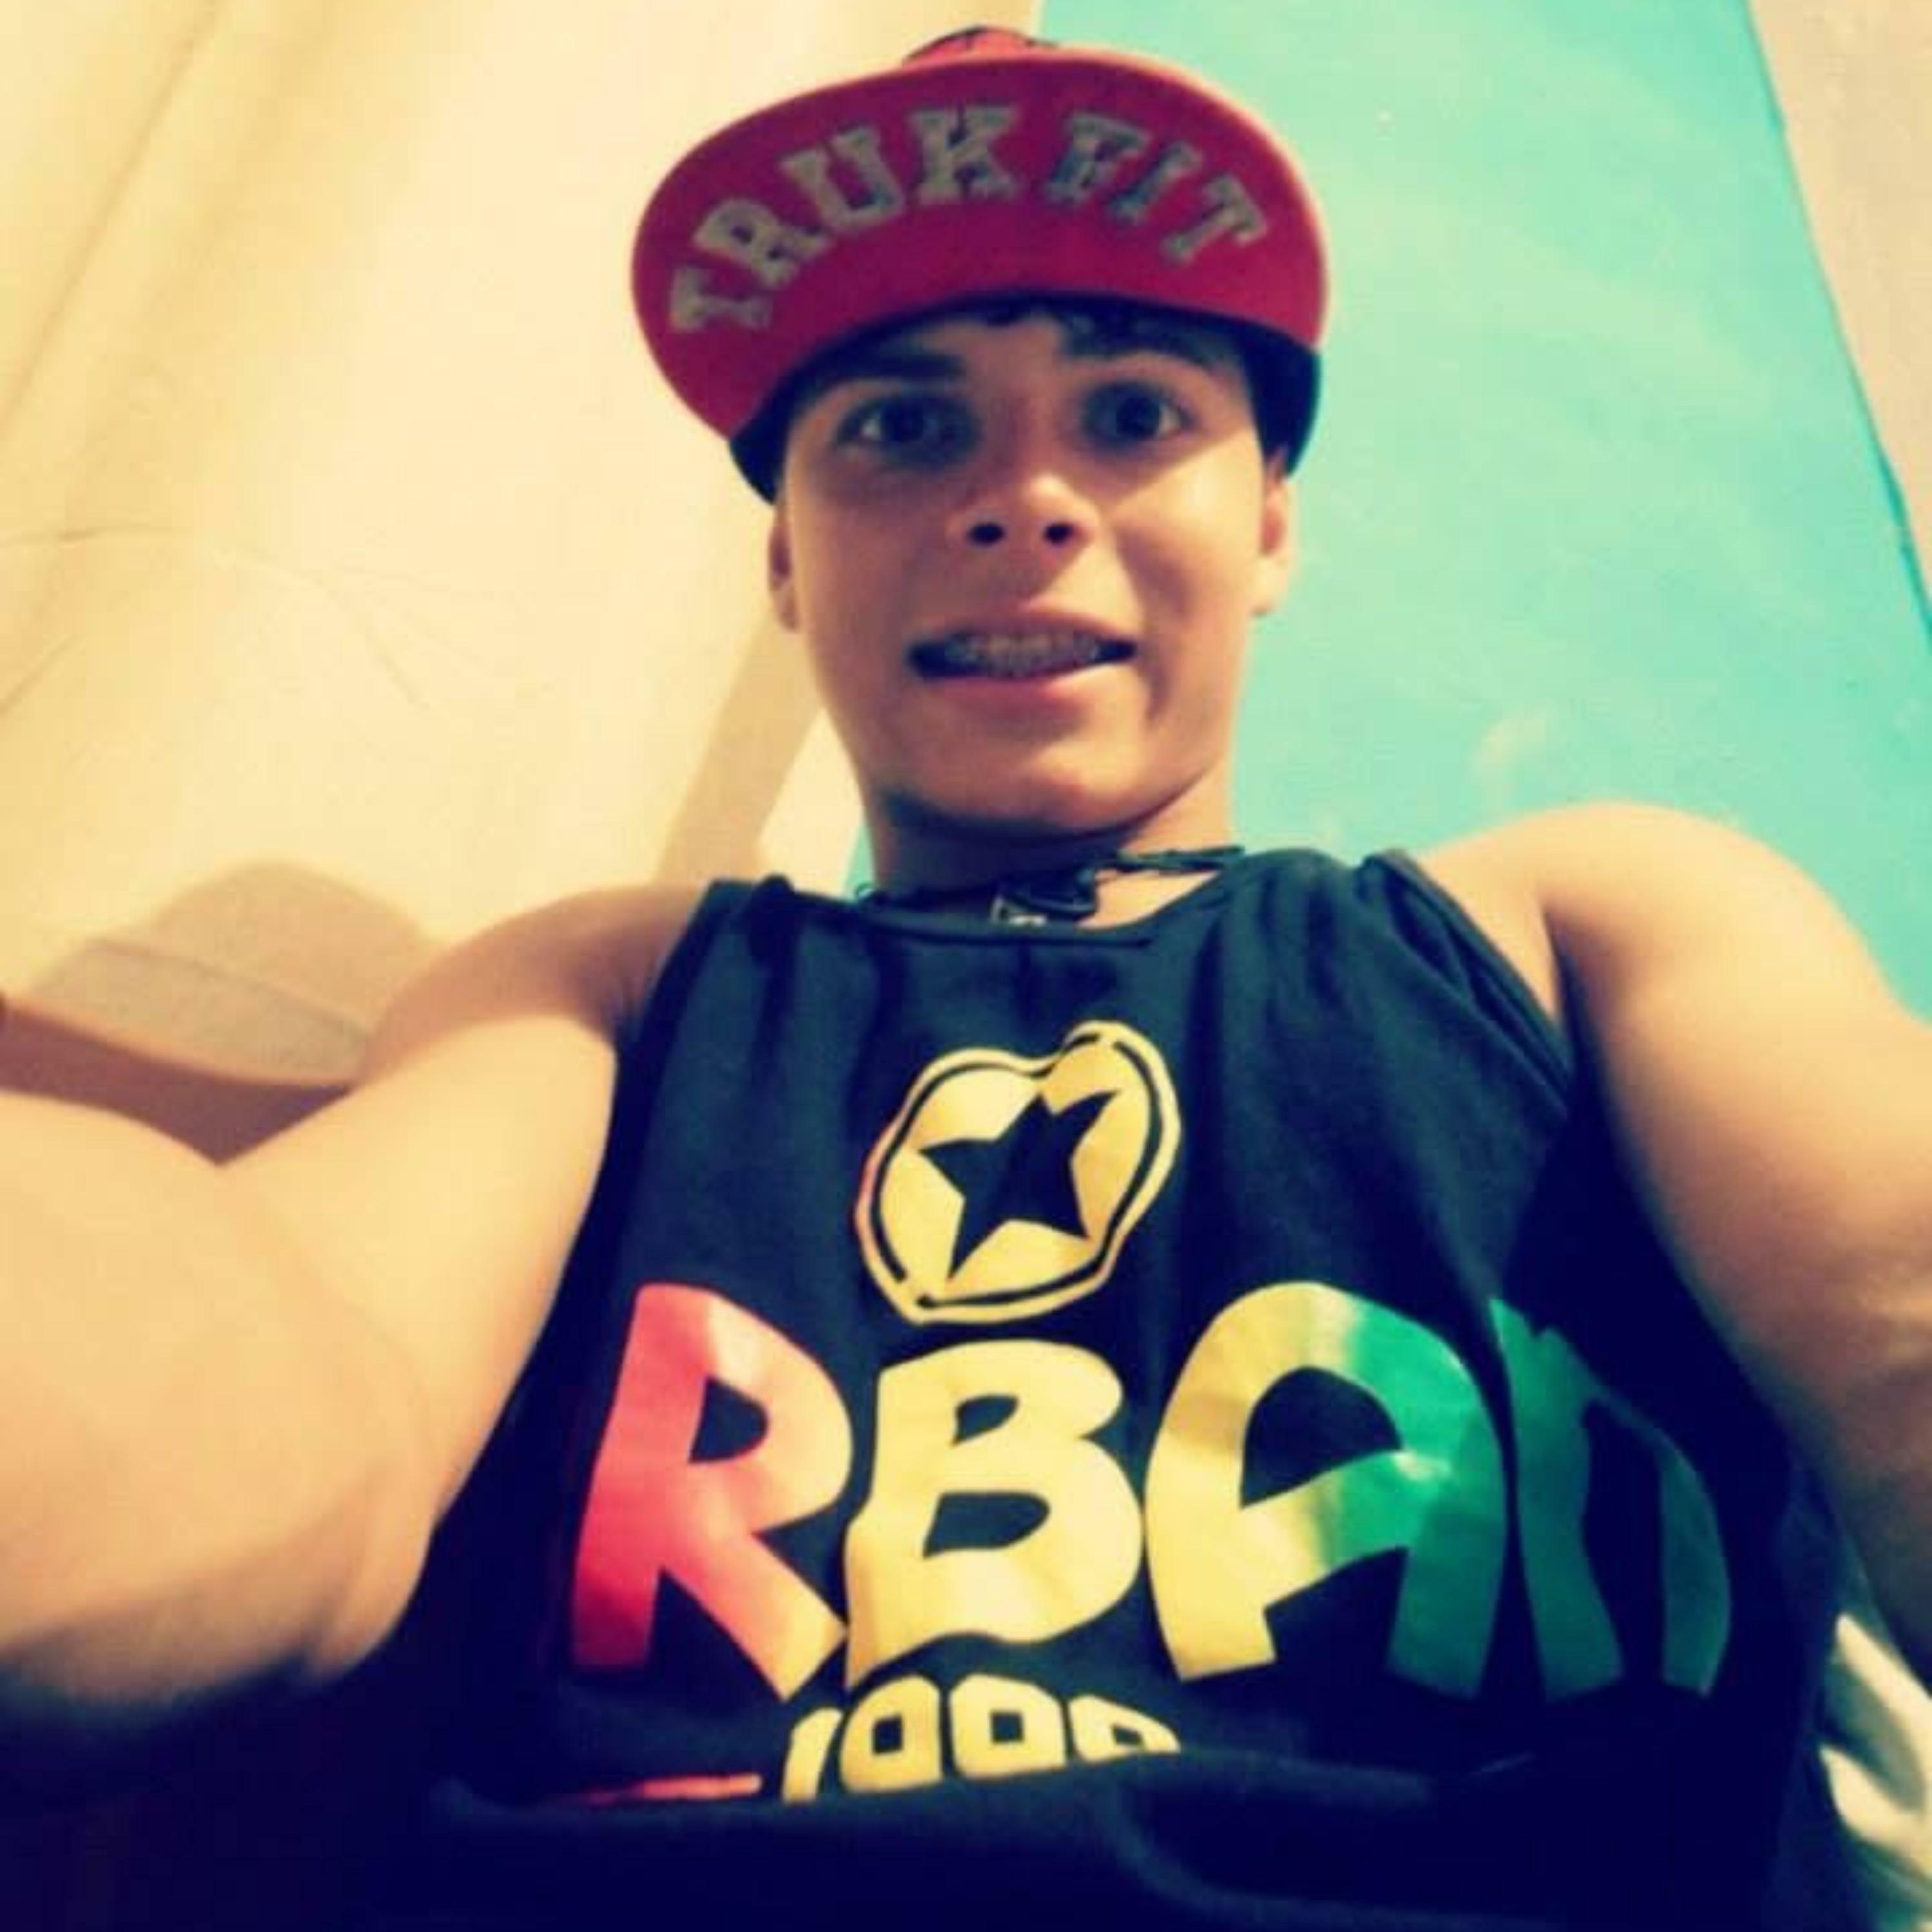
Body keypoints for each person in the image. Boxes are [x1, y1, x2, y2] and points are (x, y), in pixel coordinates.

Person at [3, 24, 1929, 1930]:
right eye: (903, 429)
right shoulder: (610, 991)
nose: (1024, 497)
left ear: (1270, 524)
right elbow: (308, 1354)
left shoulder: (1586, 933)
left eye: (1132, 413)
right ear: (784, 562)